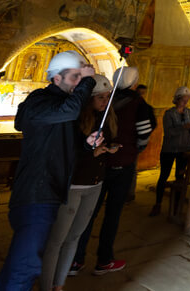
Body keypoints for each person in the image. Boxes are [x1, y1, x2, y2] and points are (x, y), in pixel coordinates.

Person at [0, 51, 97, 291]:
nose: (78, 84)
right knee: (26, 266)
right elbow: (70, 111)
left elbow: (65, 144)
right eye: (74, 78)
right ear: (56, 79)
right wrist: (88, 80)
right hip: (35, 195)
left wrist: (86, 143)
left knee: (18, 263)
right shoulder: (39, 101)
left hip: (47, 192)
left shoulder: (58, 107)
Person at [73, 67, 156, 275]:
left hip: (98, 166)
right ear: (135, 83)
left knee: (88, 214)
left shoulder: (107, 101)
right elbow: (144, 132)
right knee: (113, 213)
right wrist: (135, 149)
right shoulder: (138, 104)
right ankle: (104, 259)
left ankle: (75, 259)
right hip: (121, 165)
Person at [41, 74, 120, 291]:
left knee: (74, 237)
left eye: (107, 97)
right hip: (74, 184)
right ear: (88, 98)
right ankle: (46, 286)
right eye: (100, 98)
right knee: (57, 239)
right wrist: (90, 152)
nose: (105, 102)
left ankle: (59, 284)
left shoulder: (107, 118)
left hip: (95, 183)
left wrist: (107, 148)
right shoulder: (74, 120)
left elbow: (105, 142)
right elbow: (65, 153)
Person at [150, 86, 190, 216]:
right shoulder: (169, 114)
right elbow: (169, 132)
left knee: (180, 177)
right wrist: (184, 127)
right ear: (177, 100)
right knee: (164, 176)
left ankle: (177, 205)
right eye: (183, 99)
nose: (185, 102)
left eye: (187, 99)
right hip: (170, 149)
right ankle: (158, 204)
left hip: (184, 149)